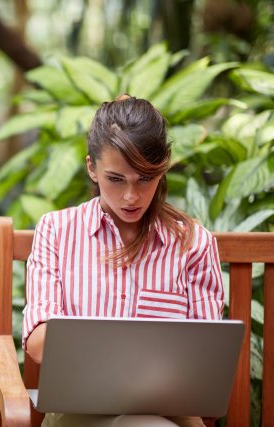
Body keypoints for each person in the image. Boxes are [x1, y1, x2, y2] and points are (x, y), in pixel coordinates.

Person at [22, 95, 224, 427]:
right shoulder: (57, 231)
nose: (131, 196)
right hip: (79, 409)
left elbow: (205, 368)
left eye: (145, 178)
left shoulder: (193, 243)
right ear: (92, 168)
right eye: (116, 179)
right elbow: (40, 342)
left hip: (169, 410)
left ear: (164, 167)